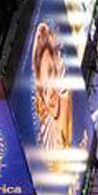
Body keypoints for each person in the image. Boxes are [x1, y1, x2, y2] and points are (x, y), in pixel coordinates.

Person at [31, 21, 74, 163]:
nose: (50, 92)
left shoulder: (70, 104)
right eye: (44, 86)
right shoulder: (43, 139)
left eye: (52, 73)